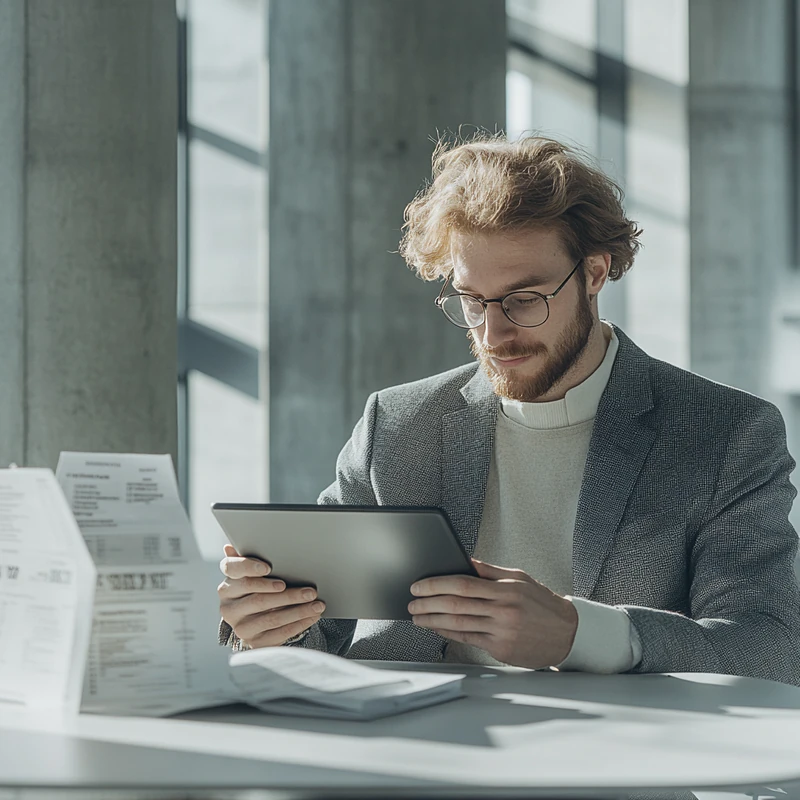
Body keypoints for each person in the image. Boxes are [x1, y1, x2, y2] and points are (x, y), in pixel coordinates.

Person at [218, 134, 800, 683]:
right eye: (473, 301)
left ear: (594, 274)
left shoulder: (723, 434)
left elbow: (768, 648)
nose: (494, 333)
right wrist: (269, 628)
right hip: (413, 766)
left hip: (611, 772)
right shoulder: (397, 425)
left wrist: (582, 634)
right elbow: (319, 633)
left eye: (525, 300)